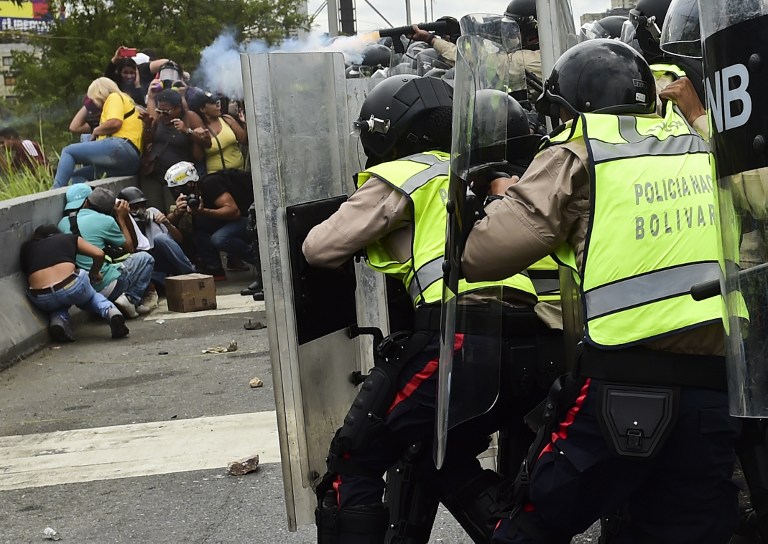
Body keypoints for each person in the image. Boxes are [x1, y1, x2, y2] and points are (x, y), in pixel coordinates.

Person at [460, 39, 741, 543]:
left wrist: (501, 200)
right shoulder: (702, 144)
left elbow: (485, 255)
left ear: (574, 107)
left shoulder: (583, 147)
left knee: (532, 524)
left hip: (621, 384)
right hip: (714, 387)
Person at [305, 74, 562, 543]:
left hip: (460, 341)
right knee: (437, 455)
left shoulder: (408, 175)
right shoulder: (489, 177)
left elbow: (320, 248)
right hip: (535, 345)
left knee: (354, 456)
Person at [57, 184, 155, 319]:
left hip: (80, 290)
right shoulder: (106, 221)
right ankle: (131, 299)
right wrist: (121, 218)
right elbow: (130, 248)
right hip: (106, 285)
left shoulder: (62, 223)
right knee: (145, 258)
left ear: (86, 202)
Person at [21, 224, 129, 342]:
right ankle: (110, 312)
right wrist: (94, 273)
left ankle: (58, 321)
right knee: (90, 296)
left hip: (42, 297)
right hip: (71, 287)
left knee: (57, 303)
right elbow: (99, 254)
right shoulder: (68, 238)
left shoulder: (27, 248)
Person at [163, 162, 258, 282]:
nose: (177, 193)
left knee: (220, 238)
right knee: (199, 227)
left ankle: (260, 262)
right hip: (229, 221)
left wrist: (203, 211)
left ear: (190, 184)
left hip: (250, 218)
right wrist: (177, 213)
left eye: (178, 188)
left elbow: (234, 212)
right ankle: (214, 268)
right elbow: (168, 222)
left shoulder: (210, 184)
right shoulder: (187, 198)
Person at [52, 77, 142, 189]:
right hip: (131, 161)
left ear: (99, 93)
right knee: (79, 175)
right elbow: (75, 127)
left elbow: (115, 122)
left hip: (121, 147)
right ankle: (81, 200)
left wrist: (97, 130)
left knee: (69, 151)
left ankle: (56, 190)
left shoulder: (114, 97)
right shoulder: (127, 101)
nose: (94, 103)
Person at [140, 88, 207, 212]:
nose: (161, 115)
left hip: (177, 179)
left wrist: (187, 131)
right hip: (154, 173)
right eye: (159, 111)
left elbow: (207, 142)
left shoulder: (190, 117)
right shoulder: (159, 119)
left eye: (166, 112)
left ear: (178, 108)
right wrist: (148, 125)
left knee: (176, 212)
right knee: (154, 211)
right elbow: (148, 141)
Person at [117, 185, 195, 288]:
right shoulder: (122, 223)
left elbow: (179, 239)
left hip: (161, 258)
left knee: (161, 238)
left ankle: (192, 275)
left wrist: (167, 223)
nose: (140, 210)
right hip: (148, 267)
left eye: (142, 205)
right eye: (135, 207)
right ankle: (168, 283)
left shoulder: (153, 213)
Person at [187, 90, 247, 173]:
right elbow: (198, 158)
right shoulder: (201, 130)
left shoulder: (227, 119)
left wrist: (245, 123)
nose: (218, 105)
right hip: (216, 179)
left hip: (239, 172)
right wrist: (196, 137)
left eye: (217, 102)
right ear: (202, 109)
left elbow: (244, 140)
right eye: (213, 103)